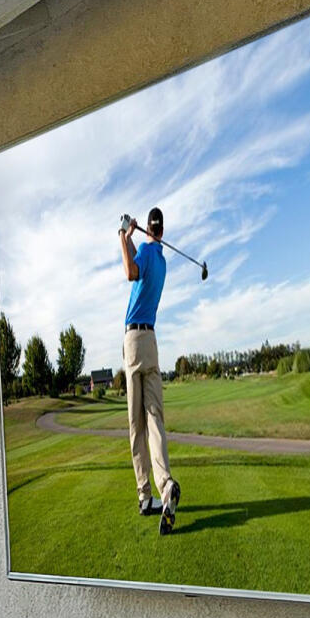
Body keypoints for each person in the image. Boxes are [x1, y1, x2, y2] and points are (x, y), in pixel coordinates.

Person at [118, 209, 178, 531]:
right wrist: (135, 238)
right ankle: (165, 486)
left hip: (133, 339)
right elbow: (140, 268)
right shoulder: (163, 262)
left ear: (148, 228)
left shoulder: (142, 250)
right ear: (163, 230)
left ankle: (144, 496)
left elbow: (130, 272)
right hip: (152, 342)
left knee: (135, 423)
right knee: (155, 419)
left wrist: (123, 237)